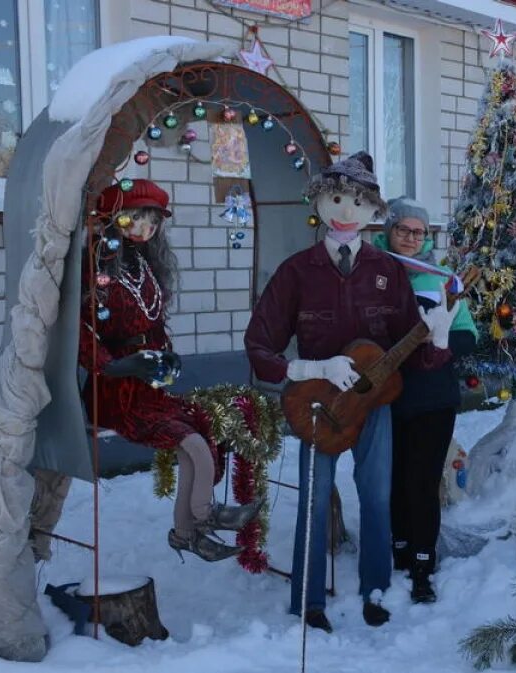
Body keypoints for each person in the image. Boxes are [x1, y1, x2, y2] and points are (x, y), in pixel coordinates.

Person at [244, 153, 456, 632]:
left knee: (377, 496)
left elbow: (411, 352)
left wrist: (436, 338)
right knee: (315, 501)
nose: (345, 211)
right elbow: (260, 345)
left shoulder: (387, 270)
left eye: (358, 202)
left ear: (373, 211)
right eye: (336, 198)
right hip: (316, 406)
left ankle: (375, 587)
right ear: (318, 201)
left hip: (374, 406)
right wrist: (312, 366)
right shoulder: (297, 271)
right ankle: (308, 597)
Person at [80, 179, 260, 563]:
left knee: (197, 432)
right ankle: (205, 516)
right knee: (191, 442)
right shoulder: (94, 266)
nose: (146, 228)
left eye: (154, 221)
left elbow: (154, 322)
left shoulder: (144, 263)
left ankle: (185, 534)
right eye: (136, 218)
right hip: (117, 391)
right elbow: (79, 329)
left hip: (150, 383)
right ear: (114, 219)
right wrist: (113, 365)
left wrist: (166, 357)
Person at [373, 197, 478, 604]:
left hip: (433, 396)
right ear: (390, 231)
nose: (411, 239)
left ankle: (422, 561)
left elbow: (469, 333)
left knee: (422, 480)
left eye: (419, 232)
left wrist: (443, 346)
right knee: (393, 478)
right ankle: (398, 550)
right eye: (403, 230)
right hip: (386, 394)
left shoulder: (444, 278)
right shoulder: (373, 272)